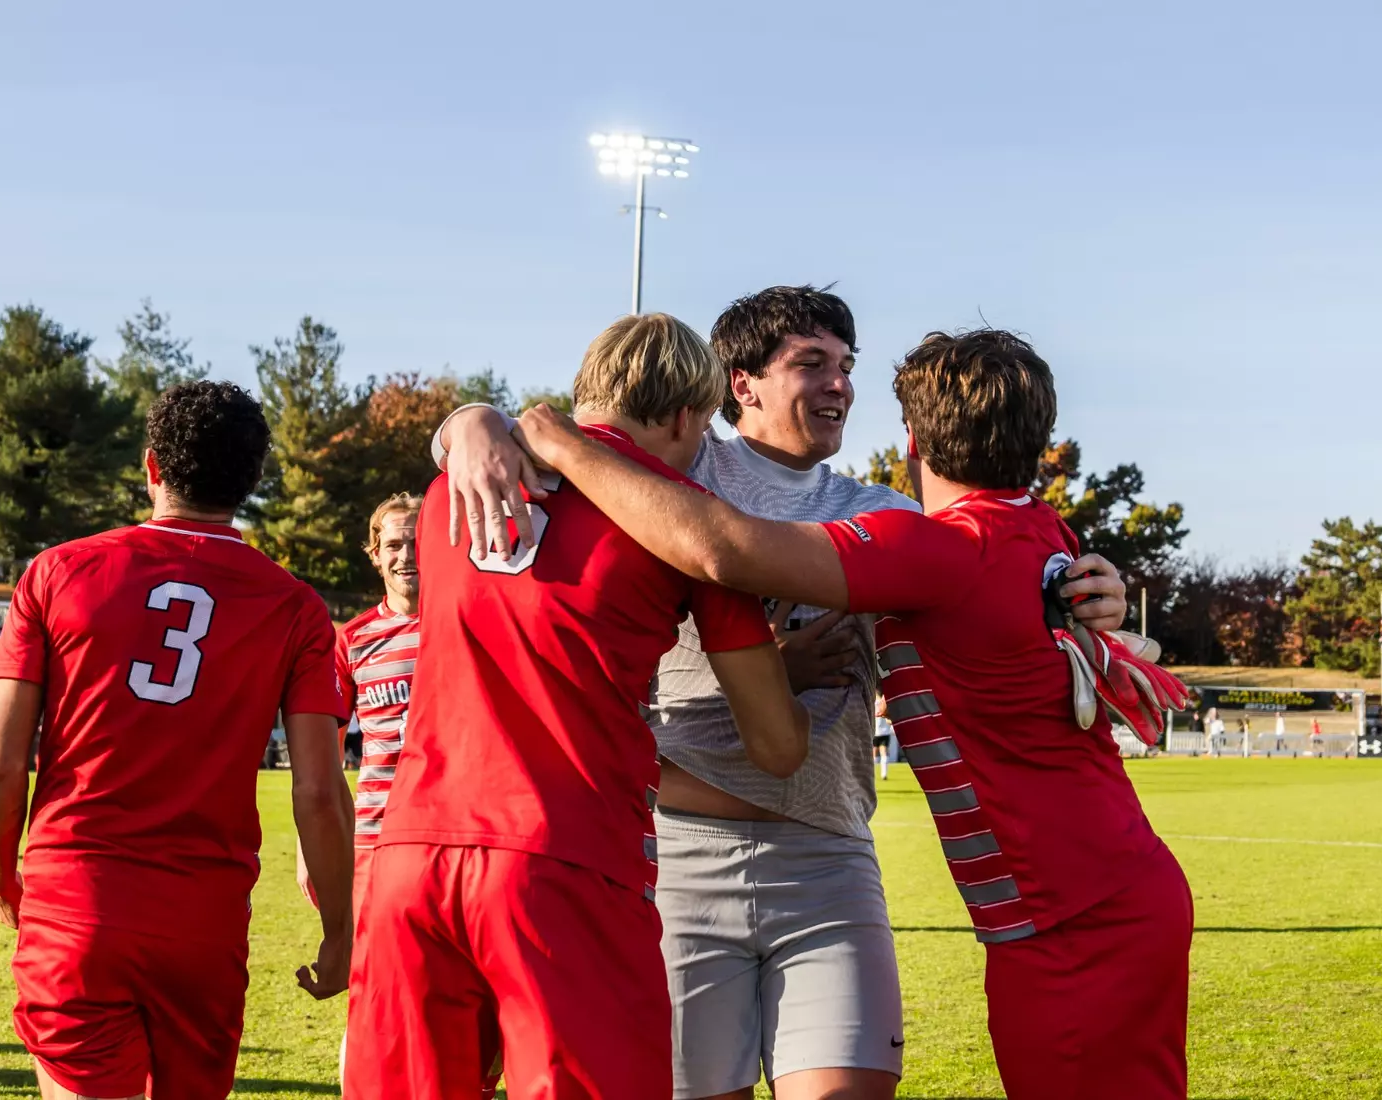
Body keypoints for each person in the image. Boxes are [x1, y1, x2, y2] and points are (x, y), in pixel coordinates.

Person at [436, 287, 1127, 1100]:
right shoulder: (672, 470)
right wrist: (470, 420)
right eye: (811, 364)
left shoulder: (886, 513)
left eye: (846, 367)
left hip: (828, 855)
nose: (839, 385)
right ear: (740, 386)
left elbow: (1004, 568)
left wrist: (1090, 589)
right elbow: (546, 459)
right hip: (679, 857)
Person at [345, 313, 811, 1100]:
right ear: (683, 417)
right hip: (564, 858)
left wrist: (469, 419)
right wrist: (796, 659)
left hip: (410, 857)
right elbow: (776, 745)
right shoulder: (679, 517)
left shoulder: (439, 498)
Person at [0, 381, 355, 1100]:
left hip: (76, 899)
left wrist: (2, 870)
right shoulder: (296, 606)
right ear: (250, 481)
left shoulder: (55, 572)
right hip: (203, 922)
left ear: (152, 467)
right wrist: (339, 929)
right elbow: (317, 790)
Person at [299, 492, 505, 1096]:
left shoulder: (475, 619)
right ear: (373, 555)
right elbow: (324, 762)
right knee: (375, 1008)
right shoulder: (353, 641)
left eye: (415, 539)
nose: (404, 554)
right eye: (392, 543)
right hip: (377, 851)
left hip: (467, 844)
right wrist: (320, 861)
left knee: (477, 1008)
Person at [873, 695, 895, 782]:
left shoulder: (873, 703)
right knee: (884, 753)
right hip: (884, 732)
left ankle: (873, 775)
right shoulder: (887, 702)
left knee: (874, 754)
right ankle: (884, 774)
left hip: (875, 732)